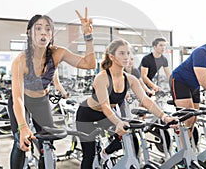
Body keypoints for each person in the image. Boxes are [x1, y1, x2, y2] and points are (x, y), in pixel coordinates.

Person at [8, 7, 96, 169]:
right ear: (29, 33)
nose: (43, 33)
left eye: (48, 30)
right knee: (21, 142)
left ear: (52, 35)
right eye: (39, 29)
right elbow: (18, 98)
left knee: (47, 143)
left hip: (41, 102)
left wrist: (88, 37)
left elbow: (89, 64)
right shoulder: (20, 61)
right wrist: (23, 127)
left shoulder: (58, 53)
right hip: (21, 101)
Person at [76, 38, 177, 169]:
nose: (126, 57)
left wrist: (165, 117)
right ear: (111, 56)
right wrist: (118, 122)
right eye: (122, 53)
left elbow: (145, 100)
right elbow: (105, 105)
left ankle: (104, 154)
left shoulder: (130, 79)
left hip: (105, 115)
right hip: (86, 116)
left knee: (125, 138)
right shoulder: (102, 78)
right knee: (88, 156)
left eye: (128, 53)